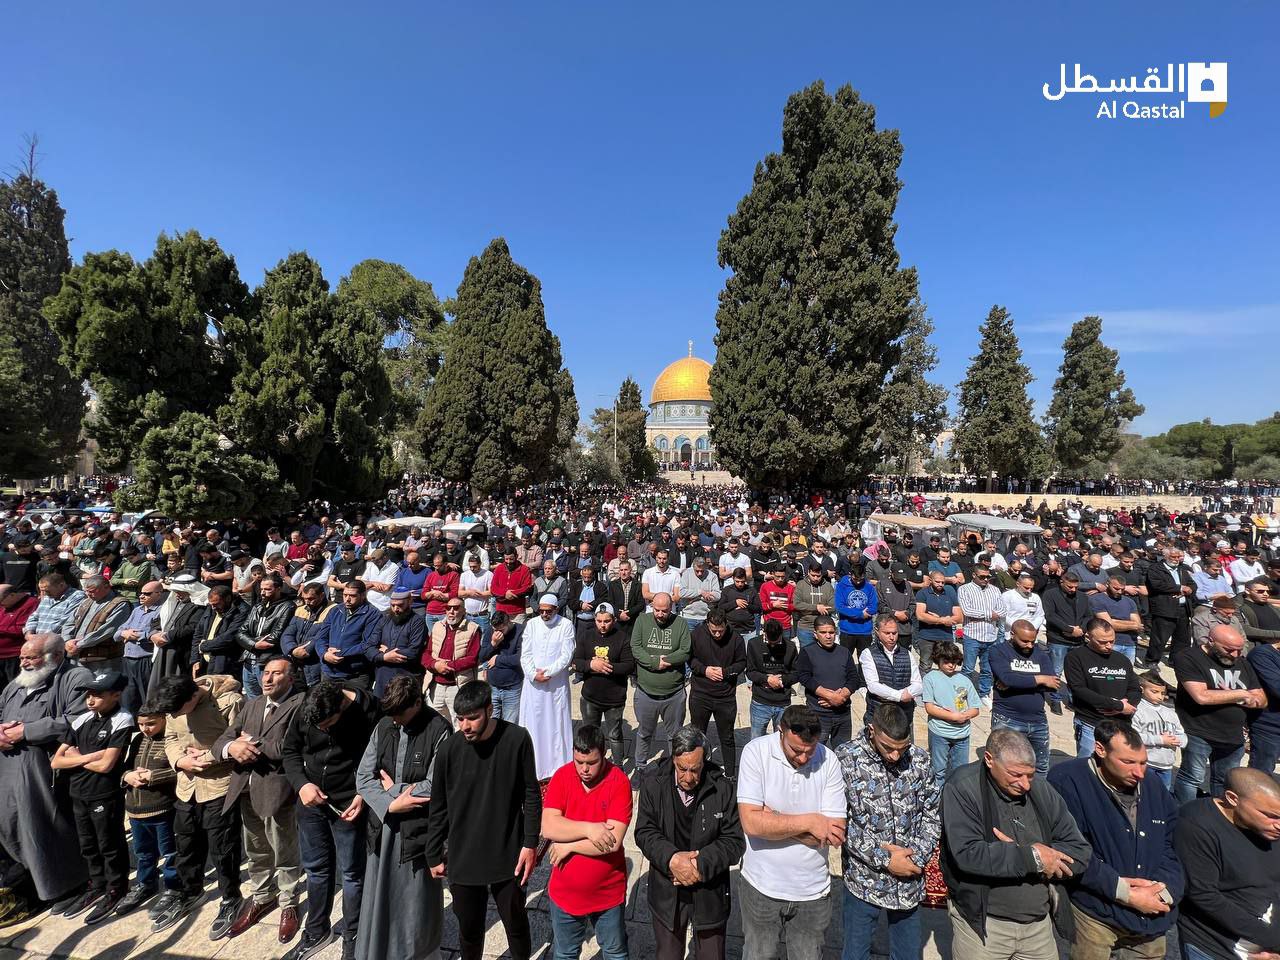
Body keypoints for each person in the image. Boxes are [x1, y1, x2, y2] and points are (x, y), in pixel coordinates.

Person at [941, 728, 1092, 960]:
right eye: (1016, 775)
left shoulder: (1041, 790)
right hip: (985, 927)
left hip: (1038, 929)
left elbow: (1080, 850)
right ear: (989, 760)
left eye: (1030, 775)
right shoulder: (963, 787)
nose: (1025, 785)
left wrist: (1030, 851)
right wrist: (1033, 857)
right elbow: (968, 854)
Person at [1046, 718, 1183, 960]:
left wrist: (1164, 891)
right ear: (1100, 750)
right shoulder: (1066, 781)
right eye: (1128, 762)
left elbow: (1171, 844)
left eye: (1143, 763)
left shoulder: (1152, 784)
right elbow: (1071, 852)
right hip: (1096, 913)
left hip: (1151, 915)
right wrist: (1125, 893)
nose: (1139, 773)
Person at [426, 681, 542, 960]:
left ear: (490, 710)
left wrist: (530, 845)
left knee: (515, 923)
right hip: (464, 858)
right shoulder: (449, 750)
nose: (465, 726)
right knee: (470, 930)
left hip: (508, 854)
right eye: (460, 719)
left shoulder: (517, 739)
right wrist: (433, 853)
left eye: (473, 718)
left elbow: (532, 794)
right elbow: (438, 804)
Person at [353, 675, 452, 960]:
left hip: (417, 833)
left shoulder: (439, 730)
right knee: (379, 900)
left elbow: (436, 784)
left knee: (414, 906)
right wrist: (391, 804)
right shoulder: (385, 725)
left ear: (417, 704)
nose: (396, 723)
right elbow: (363, 777)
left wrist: (391, 790)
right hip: (382, 830)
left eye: (402, 716)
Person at [736, 704, 846, 960]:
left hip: (812, 893)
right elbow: (751, 824)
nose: (804, 758)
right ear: (780, 732)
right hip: (761, 887)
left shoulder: (829, 760)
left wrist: (771, 818)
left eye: (810, 751)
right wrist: (810, 822)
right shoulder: (756, 752)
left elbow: (833, 834)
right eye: (796, 750)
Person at [282, 680, 379, 960]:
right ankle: (317, 930)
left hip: (349, 803)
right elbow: (290, 751)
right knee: (316, 869)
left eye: (328, 724)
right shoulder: (309, 707)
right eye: (318, 727)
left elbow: (378, 760)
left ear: (342, 706)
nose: (322, 730)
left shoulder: (369, 712)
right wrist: (301, 785)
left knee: (351, 874)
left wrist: (363, 794)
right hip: (311, 802)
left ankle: (354, 935)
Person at [836, 703, 940, 960]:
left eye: (901, 748)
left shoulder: (919, 760)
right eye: (888, 748)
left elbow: (932, 816)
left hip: (908, 882)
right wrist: (885, 859)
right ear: (872, 730)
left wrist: (915, 857)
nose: (895, 756)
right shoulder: (846, 759)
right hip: (863, 881)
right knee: (855, 953)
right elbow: (839, 824)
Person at [0, 634, 92, 925]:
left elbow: (80, 719)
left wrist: (27, 731)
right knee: (9, 824)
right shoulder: (16, 685)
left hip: (44, 769)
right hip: (7, 766)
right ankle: (24, 887)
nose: (24, 663)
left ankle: (63, 885)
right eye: (22, 658)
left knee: (39, 825)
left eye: (31, 658)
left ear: (53, 656)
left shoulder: (75, 677)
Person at [213, 656, 305, 942]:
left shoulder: (300, 703)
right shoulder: (251, 705)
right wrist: (231, 746)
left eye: (276, 674)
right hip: (244, 787)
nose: (267, 679)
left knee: (284, 849)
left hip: (278, 790)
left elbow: (290, 747)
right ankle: (263, 896)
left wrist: (250, 743)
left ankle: (288, 903)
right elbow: (220, 741)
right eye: (265, 673)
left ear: (290, 678)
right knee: (255, 849)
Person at [635, 725, 744, 960]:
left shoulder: (723, 789)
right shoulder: (653, 783)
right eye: (682, 769)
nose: (688, 777)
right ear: (673, 758)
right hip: (667, 890)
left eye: (695, 770)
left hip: (709, 890)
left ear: (705, 760)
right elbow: (644, 831)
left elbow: (734, 841)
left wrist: (698, 865)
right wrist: (672, 859)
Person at [149, 672, 246, 936]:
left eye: (179, 710)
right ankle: (191, 891)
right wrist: (180, 761)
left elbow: (240, 742)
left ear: (194, 696)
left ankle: (230, 897)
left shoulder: (228, 701)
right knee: (186, 843)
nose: (176, 715)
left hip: (218, 784)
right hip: (187, 785)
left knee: (222, 846)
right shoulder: (174, 703)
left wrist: (205, 756)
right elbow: (169, 739)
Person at [541, 724, 633, 960]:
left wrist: (569, 844)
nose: (584, 769)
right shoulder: (562, 776)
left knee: (614, 952)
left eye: (591, 763)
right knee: (565, 953)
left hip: (607, 893)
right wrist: (589, 828)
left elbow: (611, 842)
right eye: (579, 762)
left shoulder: (619, 782)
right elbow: (549, 826)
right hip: (564, 894)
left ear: (603, 755)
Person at [50, 668, 134, 923]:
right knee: (88, 844)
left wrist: (75, 759)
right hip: (79, 792)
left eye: (97, 694)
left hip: (104, 793)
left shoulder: (122, 719)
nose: (90, 699)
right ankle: (97, 884)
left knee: (109, 844)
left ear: (116, 695)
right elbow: (56, 761)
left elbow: (106, 765)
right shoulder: (81, 720)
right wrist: (86, 757)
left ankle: (116, 887)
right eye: (88, 694)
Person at [1173, 767, 1280, 960]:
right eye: (1270, 816)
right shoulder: (1196, 825)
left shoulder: (1270, 829)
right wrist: (1272, 938)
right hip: (1216, 945)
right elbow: (1203, 895)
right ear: (1232, 799)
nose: (1278, 824)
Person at [1173, 624, 1265, 801]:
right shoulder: (1189, 657)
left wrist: (1227, 695)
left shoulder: (1242, 663)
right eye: (1229, 650)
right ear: (1211, 641)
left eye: (1239, 650)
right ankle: (1185, 817)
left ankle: (1217, 818)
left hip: (1233, 736)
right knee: (1192, 778)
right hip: (1199, 731)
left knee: (1225, 782)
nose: (1235, 655)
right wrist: (1241, 694)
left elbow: (1261, 699)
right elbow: (1201, 696)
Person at [117, 699, 179, 917]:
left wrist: (153, 777)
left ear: (164, 720)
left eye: (151, 724)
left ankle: (173, 887)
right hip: (135, 810)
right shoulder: (138, 742)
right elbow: (124, 768)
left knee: (169, 852)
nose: (145, 729)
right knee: (143, 853)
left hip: (161, 809)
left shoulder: (171, 741)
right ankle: (146, 884)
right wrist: (128, 776)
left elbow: (177, 770)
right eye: (142, 724)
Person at [986, 619, 1057, 775]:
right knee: (1005, 767)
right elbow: (1007, 679)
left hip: (1038, 721)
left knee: (1040, 768)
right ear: (1012, 634)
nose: (1029, 645)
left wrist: (1017, 682)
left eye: (1032, 641)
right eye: (1024, 641)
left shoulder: (1040, 654)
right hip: (1008, 719)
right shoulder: (998, 651)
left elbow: (1053, 683)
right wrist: (1039, 679)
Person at [631, 592, 693, 769]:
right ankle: (640, 767)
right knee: (644, 733)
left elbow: (685, 651)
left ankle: (674, 769)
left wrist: (666, 661)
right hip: (645, 693)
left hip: (673, 694)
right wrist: (653, 662)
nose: (660, 614)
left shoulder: (680, 623)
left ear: (671, 608)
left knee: (674, 736)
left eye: (664, 611)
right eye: (656, 610)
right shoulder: (642, 620)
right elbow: (635, 647)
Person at [1066, 618, 1141, 759]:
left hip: (1121, 724)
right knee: (1088, 765)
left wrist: (1124, 706)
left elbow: (1135, 689)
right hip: (1091, 723)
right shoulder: (1075, 657)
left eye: (1112, 641)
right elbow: (1078, 689)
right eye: (1102, 642)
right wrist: (1116, 705)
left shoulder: (1122, 660)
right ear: (1088, 636)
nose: (1108, 646)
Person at [573, 604, 635, 767]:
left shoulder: (622, 637)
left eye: (607, 621)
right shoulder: (586, 636)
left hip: (614, 698)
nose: (603, 625)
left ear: (614, 620)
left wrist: (609, 667)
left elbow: (629, 665)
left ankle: (619, 766)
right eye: (599, 621)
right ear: (595, 620)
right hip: (590, 696)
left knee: (614, 734)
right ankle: (593, 762)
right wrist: (591, 665)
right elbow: (576, 662)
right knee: (590, 734)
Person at [688, 608, 746, 778]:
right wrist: (704, 670)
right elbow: (690, 659)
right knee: (698, 737)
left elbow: (742, 662)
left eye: (721, 630)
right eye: (714, 631)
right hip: (701, 694)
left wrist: (726, 672)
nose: (718, 634)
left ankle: (729, 775)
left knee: (727, 738)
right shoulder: (697, 634)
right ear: (708, 624)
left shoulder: (736, 638)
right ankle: (700, 771)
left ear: (726, 624)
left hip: (725, 697)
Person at [795, 615, 862, 746]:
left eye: (831, 632)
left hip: (843, 712)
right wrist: (828, 695)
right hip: (818, 713)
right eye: (823, 632)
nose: (828, 636)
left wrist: (841, 695)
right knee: (815, 752)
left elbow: (854, 678)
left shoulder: (844, 652)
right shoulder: (807, 651)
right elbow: (804, 677)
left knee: (843, 753)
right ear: (815, 634)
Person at [923, 640, 981, 787]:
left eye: (954, 661)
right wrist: (952, 716)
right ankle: (937, 799)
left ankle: (956, 799)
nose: (951, 665)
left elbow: (975, 708)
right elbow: (929, 707)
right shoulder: (931, 678)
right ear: (938, 660)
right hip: (940, 732)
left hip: (962, 734)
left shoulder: (964, 680)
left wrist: (965, 715)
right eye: (947, 661)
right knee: (938, 769)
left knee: (960, 771)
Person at [858, 614, 922, 732]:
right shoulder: (868, 654)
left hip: (904, 715)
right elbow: (873, 685)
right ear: (877, 632)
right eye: (887, 633)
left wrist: (906, 694)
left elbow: (918, 684)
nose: (892, 637)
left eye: (894, 633)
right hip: (879, 714)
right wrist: (899, 696)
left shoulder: (907, 654)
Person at [314, 580, 380, 690]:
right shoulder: (335, 610)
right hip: (328, 671)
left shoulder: (373, 614)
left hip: (355, 674)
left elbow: (368, 643)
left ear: (363, 595)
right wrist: (324, 654)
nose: (347, 599)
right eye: (345, 595)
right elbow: (321, 637)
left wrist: (340, 653)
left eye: (352, 596)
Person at [424, 598, 482, 722]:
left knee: (459, 725)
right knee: (436, 724)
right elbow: (426, 654)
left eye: (456, 608)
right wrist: (435, 665)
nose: (451, 611)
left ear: (464, 611)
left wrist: (447, 666)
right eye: (448, 608)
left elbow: (473, 658)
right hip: (436, 686)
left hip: (458, 686)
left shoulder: (473, 629)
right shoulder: (437, 626)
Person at [1043, 570, 1093, 714]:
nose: (1073, 590)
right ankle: (1055, 699)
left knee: (1076, 672)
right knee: (1056, 671)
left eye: (1076, 587)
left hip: (1078, 640)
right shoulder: (1050, 594)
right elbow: (1050, 615)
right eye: (1070, 587)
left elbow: (1088, 615)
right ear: (1062, 582)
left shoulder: (1082, 597)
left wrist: (1082, 629)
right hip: (1059, 639)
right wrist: (1069, 629)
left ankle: (1073, 699)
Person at [112, 579, 164, 715]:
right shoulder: (136, 610)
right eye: (141, 593)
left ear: (158, 594)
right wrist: (125, 633)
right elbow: (117, 633)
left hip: (145, 659)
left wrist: (133, 635)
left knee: (146, 695)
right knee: (129, 697)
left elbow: (156, 634)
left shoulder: (161, 611)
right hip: (128, 659)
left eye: (147, 594)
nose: (141, 596)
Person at [958, 565, 1007, 708]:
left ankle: (984, 693)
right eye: (982, 577)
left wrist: (984, 614)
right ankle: (962, 694)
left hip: (991, 635)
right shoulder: (964, 589)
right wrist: (989, 614)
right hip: (973, 634)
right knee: (968, 668)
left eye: (987, 576)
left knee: (987, 669)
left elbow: (1003, 610)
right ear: (974, 575)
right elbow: (967, 611)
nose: (986, 579)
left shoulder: (995, 590)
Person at [62, 574, 132, 673]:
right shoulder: (86, 602)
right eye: (86, 591)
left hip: (102, 659)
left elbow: (107, 631)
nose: (88, 594)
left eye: (92, 591)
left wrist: (79, 645)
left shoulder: (120, 604)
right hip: (76, 655)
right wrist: (67, 641)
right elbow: (69, 623)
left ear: (106, 587)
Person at [1130, 672, 1186, 791]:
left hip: (1166, 765)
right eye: (1154, 692)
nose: (1160, 696)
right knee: (1143, 792)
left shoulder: (1170, 712)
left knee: (1162, 794)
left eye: (1163, 693)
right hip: (1146, 763)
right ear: (1142, 689)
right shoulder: (1137, 710)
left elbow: (1182, 734)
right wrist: (1160, 740)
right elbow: (1134, 736)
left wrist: (1178, 740)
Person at [745, 619, 797, 738]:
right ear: (764, 633)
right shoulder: (754, 644)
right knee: (756, 739)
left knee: (782, 740)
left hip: (782, 701)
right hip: (760, 701)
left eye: (776, 641)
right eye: (770, 641)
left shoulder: (790, 646)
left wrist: (781, 680)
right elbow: (750, 671)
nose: (773, 645)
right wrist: (766, 679)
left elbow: (796, 673)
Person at [279, 582, 336, 690]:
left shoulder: (333, 610)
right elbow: (288, 633)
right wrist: (291, 649)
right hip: (296, 662)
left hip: (316, 664)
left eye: (311, 598)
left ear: (322, 595)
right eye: (305, 598)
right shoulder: (301, 609)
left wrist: (306, 650)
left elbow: (321, 636)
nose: (307, 602)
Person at [371, 589, 425, 697]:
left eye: (400, 605)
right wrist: (384, 657)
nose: (396, 609)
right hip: (382, 676)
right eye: (392, 605)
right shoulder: (384, 619)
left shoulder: (418, 622)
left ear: (410, 602)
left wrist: (386, 651)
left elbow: (413, 652)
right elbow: (369, 646)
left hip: (405, 678)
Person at [1144, 546, 1193, 666]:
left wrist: (1190, 589)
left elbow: (1191, 583)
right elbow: (1156, 585)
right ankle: (1152, 661)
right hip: (1164, 608)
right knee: (1159, 638)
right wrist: (1179, 588)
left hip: (1183, 609)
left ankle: (1176, 661)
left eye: (1178, 557)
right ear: (1165, 556)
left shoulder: (1182, 569)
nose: (1177, 559)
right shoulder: (1155, 568)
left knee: (1182, 638)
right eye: (1173, 557)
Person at [193, 583, 250, 679]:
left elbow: (229, 638)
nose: (213, 608)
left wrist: (204, 646)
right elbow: (198, 633)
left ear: (227, 599)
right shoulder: (212, 608)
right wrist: (195, 659)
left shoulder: (242, 611)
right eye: (211, 604)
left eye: (216, 604)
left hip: (225, 665)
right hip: (204, 664)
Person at [478, 610, 524, 720]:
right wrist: (493, 644)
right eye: (495, 630)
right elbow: (482, 657)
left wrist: (498, 659)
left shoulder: (520, 631)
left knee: (510, 723)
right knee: (491, 723)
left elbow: (520, 659)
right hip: (493, 686)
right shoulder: (491, 631)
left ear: (509, 622)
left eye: (501, 630)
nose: (498, 633)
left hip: (511, 687)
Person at [1089, 572, 1144, 663]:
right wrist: (1131, 625)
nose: (1119, 592)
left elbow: (1138, 625)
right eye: (1116, 588)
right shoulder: (1096, 599)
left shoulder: (1129, 601)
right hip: (1109, 644)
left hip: (1130, 643)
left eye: (1122, 589)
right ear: (1107, 584)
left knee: (1127, 674)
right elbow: (1108, 625)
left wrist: (1115, 621)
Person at [913, 569, 960, 665]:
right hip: (927, 636)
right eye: (937, 582)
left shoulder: (950, 592)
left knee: (947, 665)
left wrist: (933, 619)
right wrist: (943, 620)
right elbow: (920, 615)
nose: (940, 584)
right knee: (925, 665)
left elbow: (959, 617)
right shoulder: (922, 593)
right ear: (930, 581)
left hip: (946, 637)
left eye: (943, 582)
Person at [834, 564, 877, 652]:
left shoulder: (869, 587)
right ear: (850, 574)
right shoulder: (841, 586)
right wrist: (860, 614)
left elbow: (873, 607)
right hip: (847, 630)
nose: (858, 582)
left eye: (860, 579)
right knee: (845, 661)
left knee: (865, 662)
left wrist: (850, 610)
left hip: (865, 631)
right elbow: (840, 607)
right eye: (855, 579)